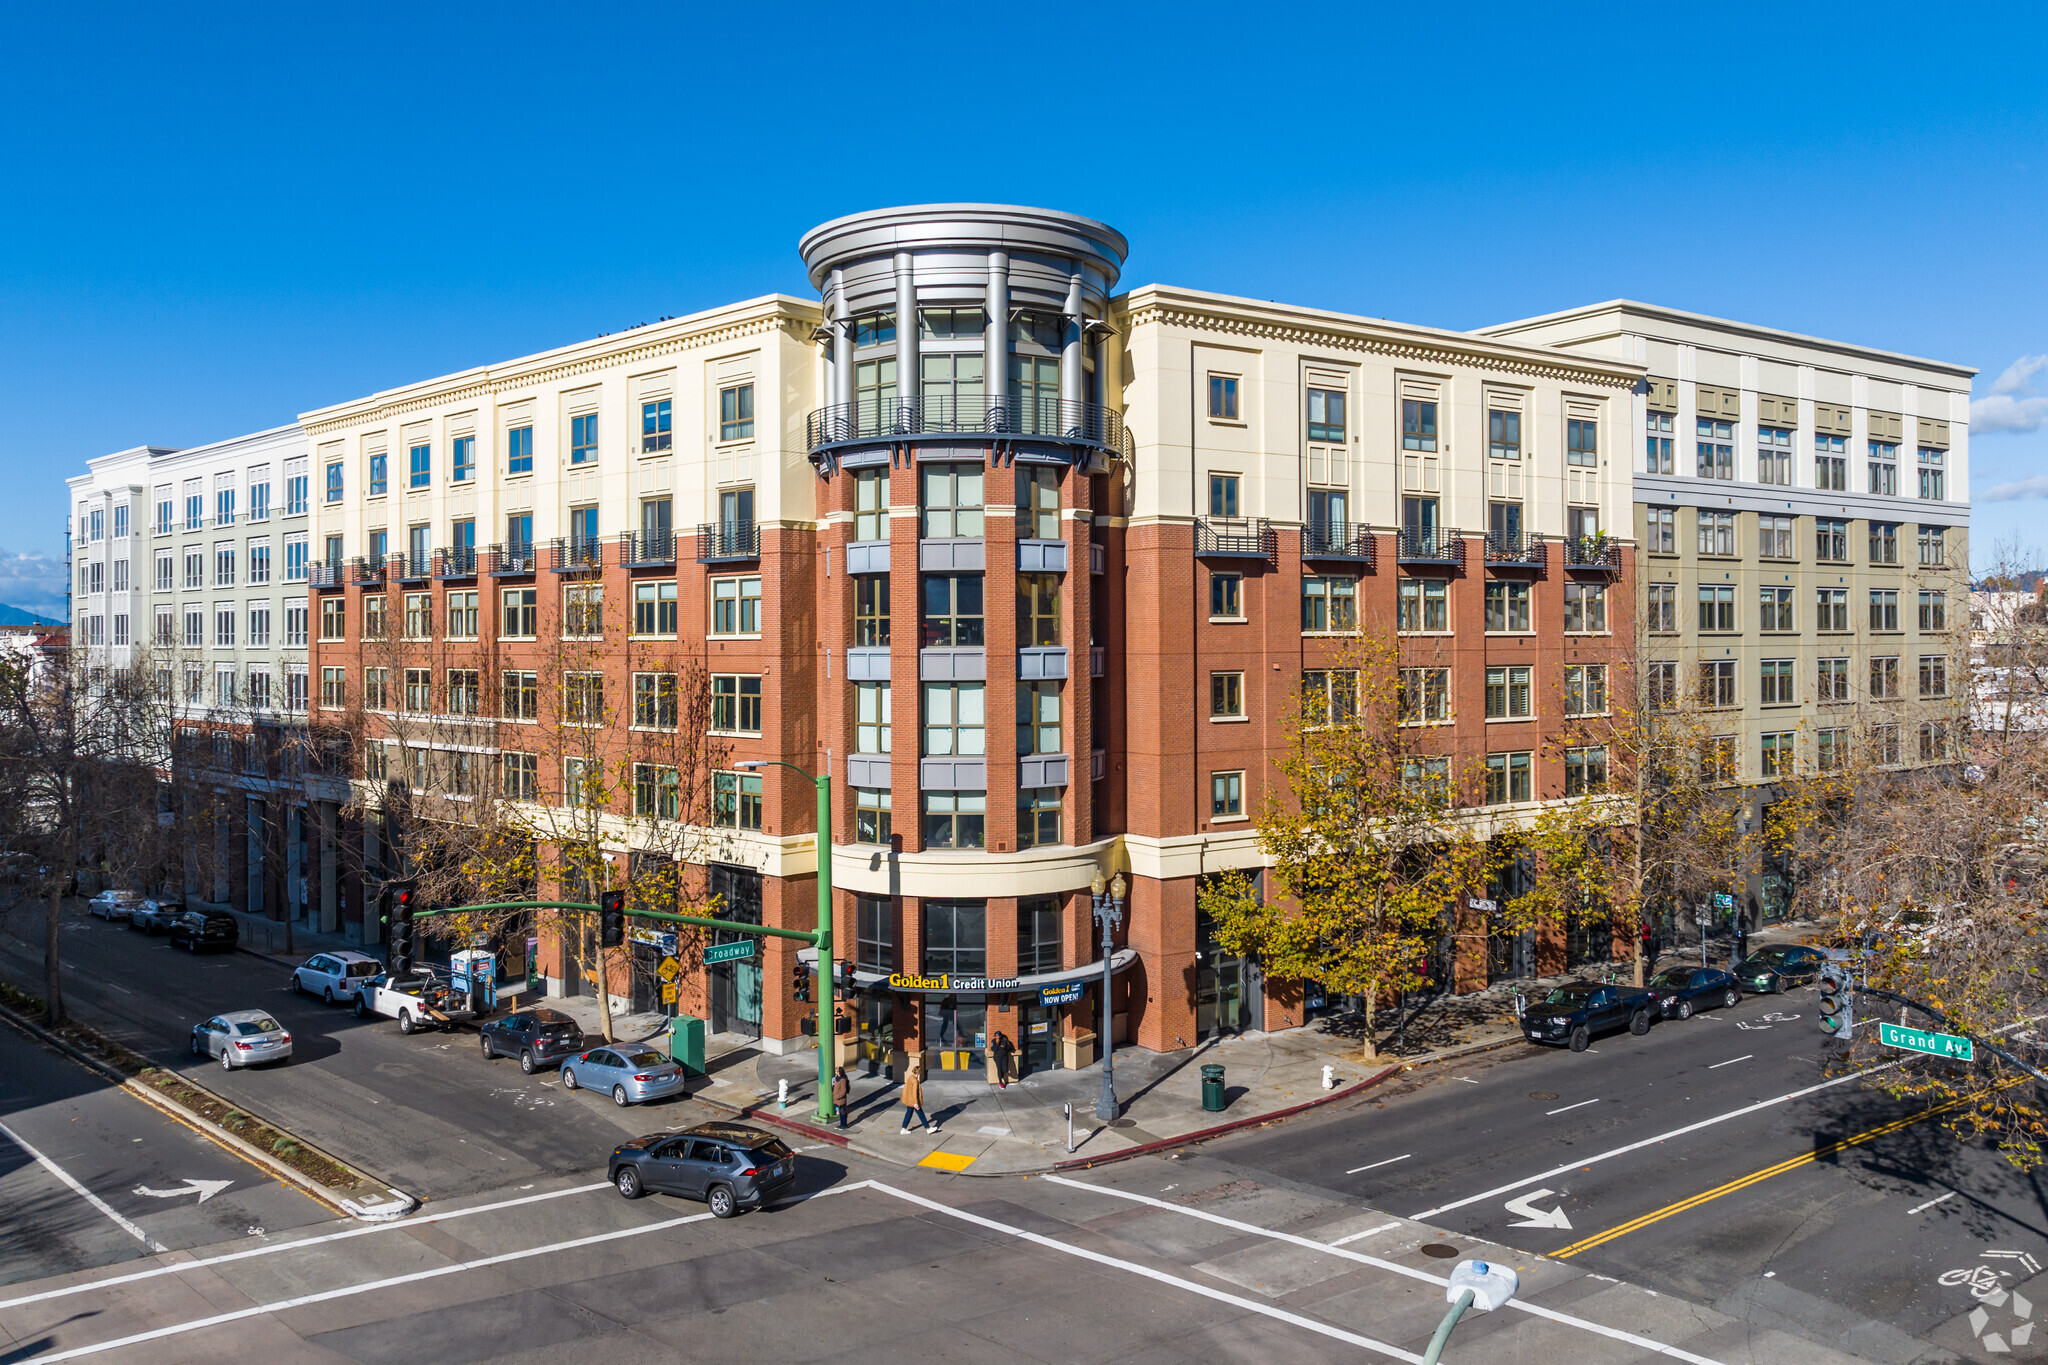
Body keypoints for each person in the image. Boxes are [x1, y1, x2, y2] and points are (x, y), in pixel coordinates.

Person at [899, 1058, 938, 1135]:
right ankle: (928, 1128)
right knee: (920, 1114)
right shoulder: (915, 1081)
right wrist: (916, 1103)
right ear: (919, 1073)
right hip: (913, 1102)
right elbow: (914, 1093)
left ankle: (903, 1129)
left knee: (909, 1114)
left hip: (909, 1101)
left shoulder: (910, 1077)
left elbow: (907, 1089)